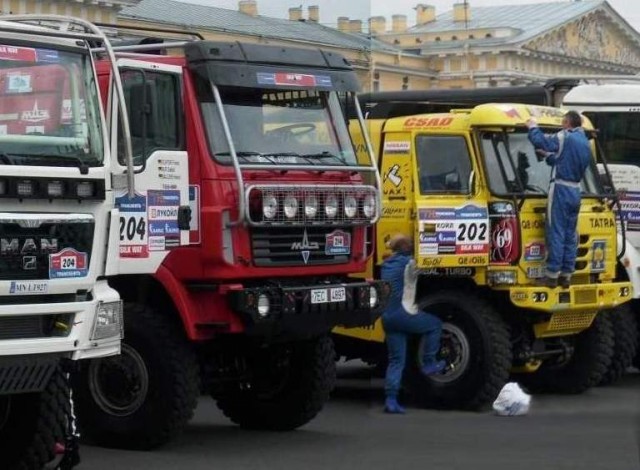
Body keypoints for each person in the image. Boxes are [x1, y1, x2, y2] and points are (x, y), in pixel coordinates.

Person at [380, 234, 445, 414]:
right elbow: (432, 263)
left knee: (396, 361)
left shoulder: (386, 264)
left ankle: (390, 400)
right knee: (435, 325)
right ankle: (429, 362)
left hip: (387, 318)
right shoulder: (409, 263)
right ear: (407, 248)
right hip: (404, 313)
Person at [526, 110, 592, 289]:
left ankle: (551, 276)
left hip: (561, 190)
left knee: (556, 231)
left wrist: (532, 125)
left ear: (568, 123)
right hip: (576, 191)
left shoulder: (566, 136)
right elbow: (566, 161)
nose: (562, 125)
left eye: (563, 122)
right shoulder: (585, 142)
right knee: (570, 235)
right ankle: (566, 275)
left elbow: (542, 142)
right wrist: (550, 157)